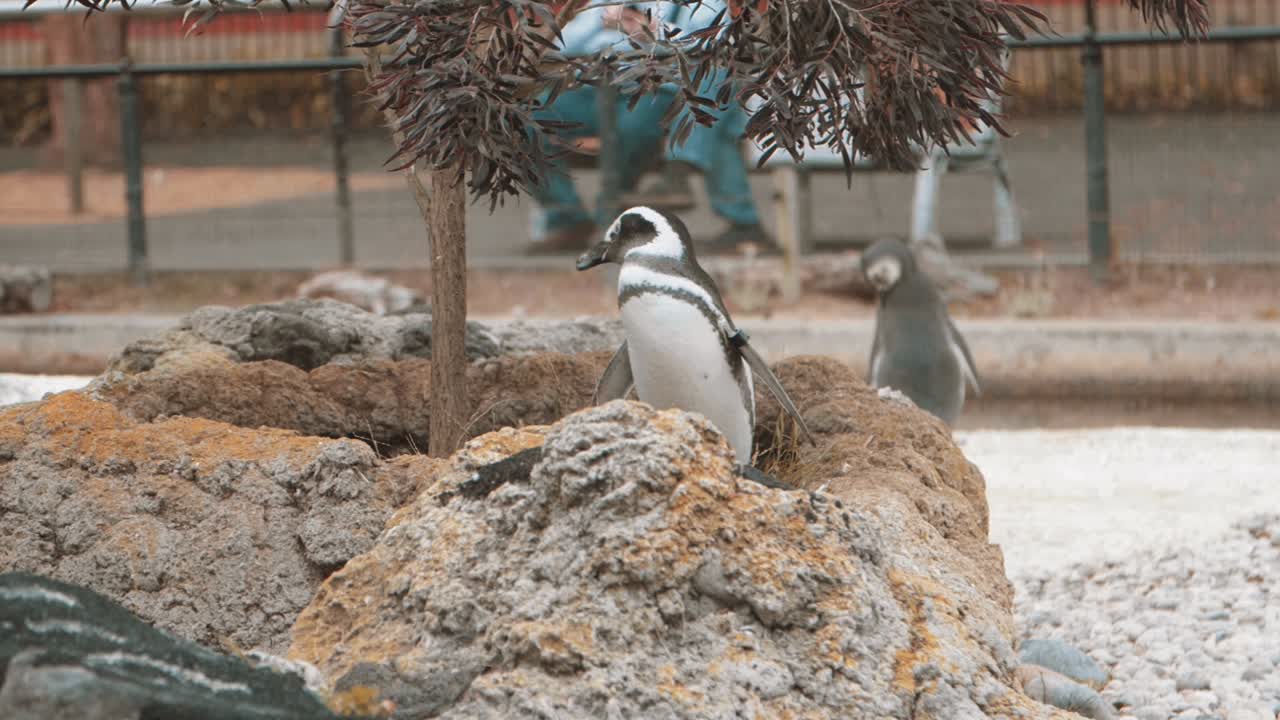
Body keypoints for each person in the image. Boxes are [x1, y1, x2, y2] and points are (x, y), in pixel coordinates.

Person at [525, 0, 677, 254]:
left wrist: (652, 31)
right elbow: (561, 43)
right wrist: (603, 19)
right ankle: (567, 218)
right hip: (594, 89)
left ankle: (608, 216)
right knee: (525, 117)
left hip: (652, 88)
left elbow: (704, 40)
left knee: (632, 130)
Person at [621, 0, 773, 253]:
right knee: (720, 116)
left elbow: (712, 39)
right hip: (644, 85)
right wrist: (627, 26)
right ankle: (744, 223)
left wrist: (651, 30)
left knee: (716, 76)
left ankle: (680, 172)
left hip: (697, 79)